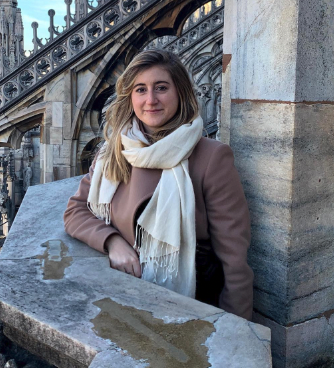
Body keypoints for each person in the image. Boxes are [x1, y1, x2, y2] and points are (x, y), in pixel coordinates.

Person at [64, 49, 253, 320]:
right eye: (140, 89)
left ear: (180, 92)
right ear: (130, 96)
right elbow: (75, 211)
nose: (150, 100)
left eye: (161, 88)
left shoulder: (212, 157)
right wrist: (112, 241)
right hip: (122, 303)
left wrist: (235, 329)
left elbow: (234, 261)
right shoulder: (113, 151)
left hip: (189, 309)